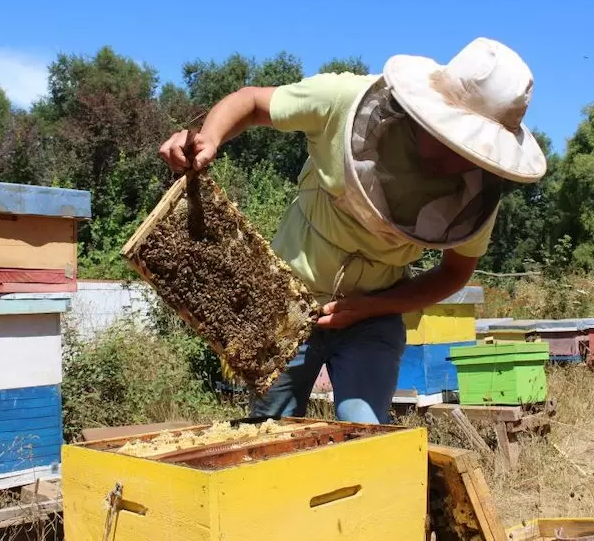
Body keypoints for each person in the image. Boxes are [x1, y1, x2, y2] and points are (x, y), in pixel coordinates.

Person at [158, 37, 547, 424]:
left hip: (374, 315)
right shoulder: (341, 100)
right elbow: (252, 101)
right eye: (450, 138)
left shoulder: (478, 195)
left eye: (471, 150)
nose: (456, 159)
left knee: (363, 430)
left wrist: (370, 307)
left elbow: (455, 272)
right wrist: (209, 137)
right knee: (270, 428)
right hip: (283, 303)